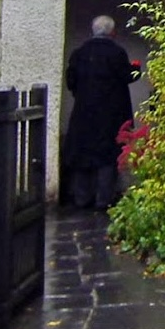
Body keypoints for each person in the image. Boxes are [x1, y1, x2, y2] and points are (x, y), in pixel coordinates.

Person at [65, 15, 139, 209]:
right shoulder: (117, 53)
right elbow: (127, 76)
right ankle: (103, 200)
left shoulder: (79, 53)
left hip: (83, 113)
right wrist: (137, 69)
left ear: (93, 30)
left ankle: (81, 199)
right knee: (107, 157)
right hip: (111, 116)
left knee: (82, 155)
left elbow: (70, 81)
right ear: (112, 32)